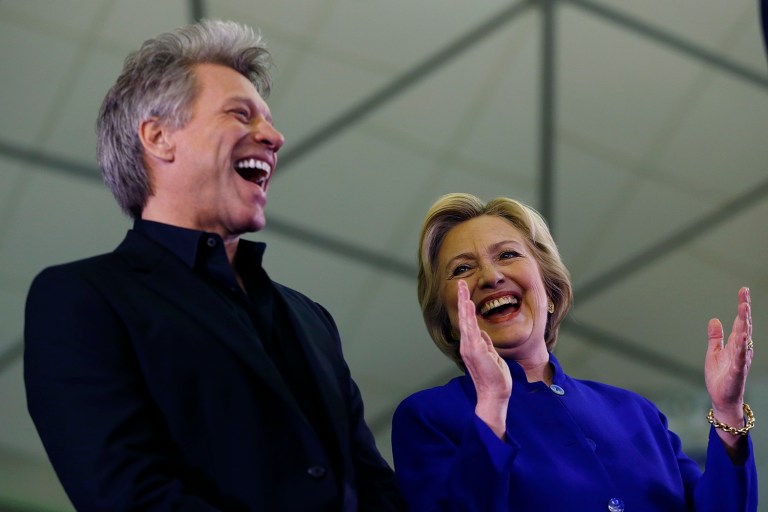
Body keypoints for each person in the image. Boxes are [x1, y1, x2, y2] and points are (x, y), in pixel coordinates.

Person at [24, 19, 404, 512]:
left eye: (266, 119)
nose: (274, 136)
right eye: (240, 114)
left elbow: (373, 485)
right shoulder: (82, 299)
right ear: (159, 137)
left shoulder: (312, 320)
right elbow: (129, 496)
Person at [391, 193, 756, 511]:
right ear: (448, 318)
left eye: (507, 254)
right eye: (463, 268)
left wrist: (728, 413)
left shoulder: (635, 412)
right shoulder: (429, 418)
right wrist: (490, 409)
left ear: (549, 291)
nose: (490, 276)